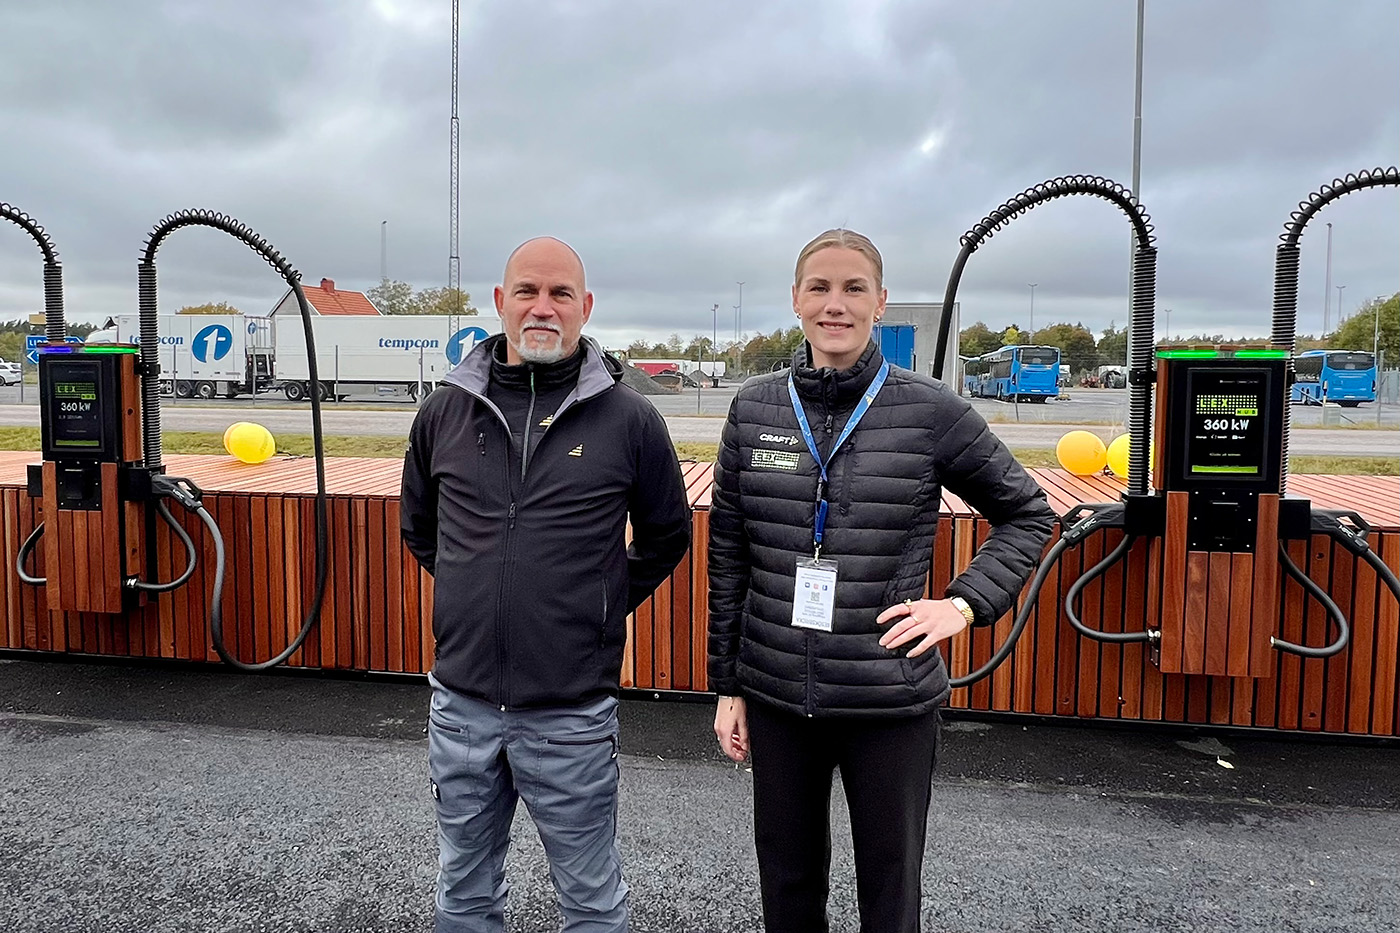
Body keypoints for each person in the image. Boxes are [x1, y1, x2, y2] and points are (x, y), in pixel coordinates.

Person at [708, 229, 1055, 933]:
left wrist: (963, 604)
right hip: (777, 694)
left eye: (853, 288)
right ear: (796, 299)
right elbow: (729, 556)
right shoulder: (754, 408)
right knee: (787, 882)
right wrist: (728, 686)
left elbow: (1028, 513)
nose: (835, 304)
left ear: (880, 301)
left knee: (890, 891)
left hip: (888, 699)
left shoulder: (927, 409)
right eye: (820, 287)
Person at [402, 236, 692, 933]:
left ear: (584, 306)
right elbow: (421, 529)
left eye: (560, 293)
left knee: (590, 898)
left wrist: (596, 602)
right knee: (464, 892)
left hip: (571, 715)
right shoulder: (444, 412)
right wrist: (478, 588)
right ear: (499, 303)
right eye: (527, 292)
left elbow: (667, 536)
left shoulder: (630, 419)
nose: (542, 307)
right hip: (462, 709)